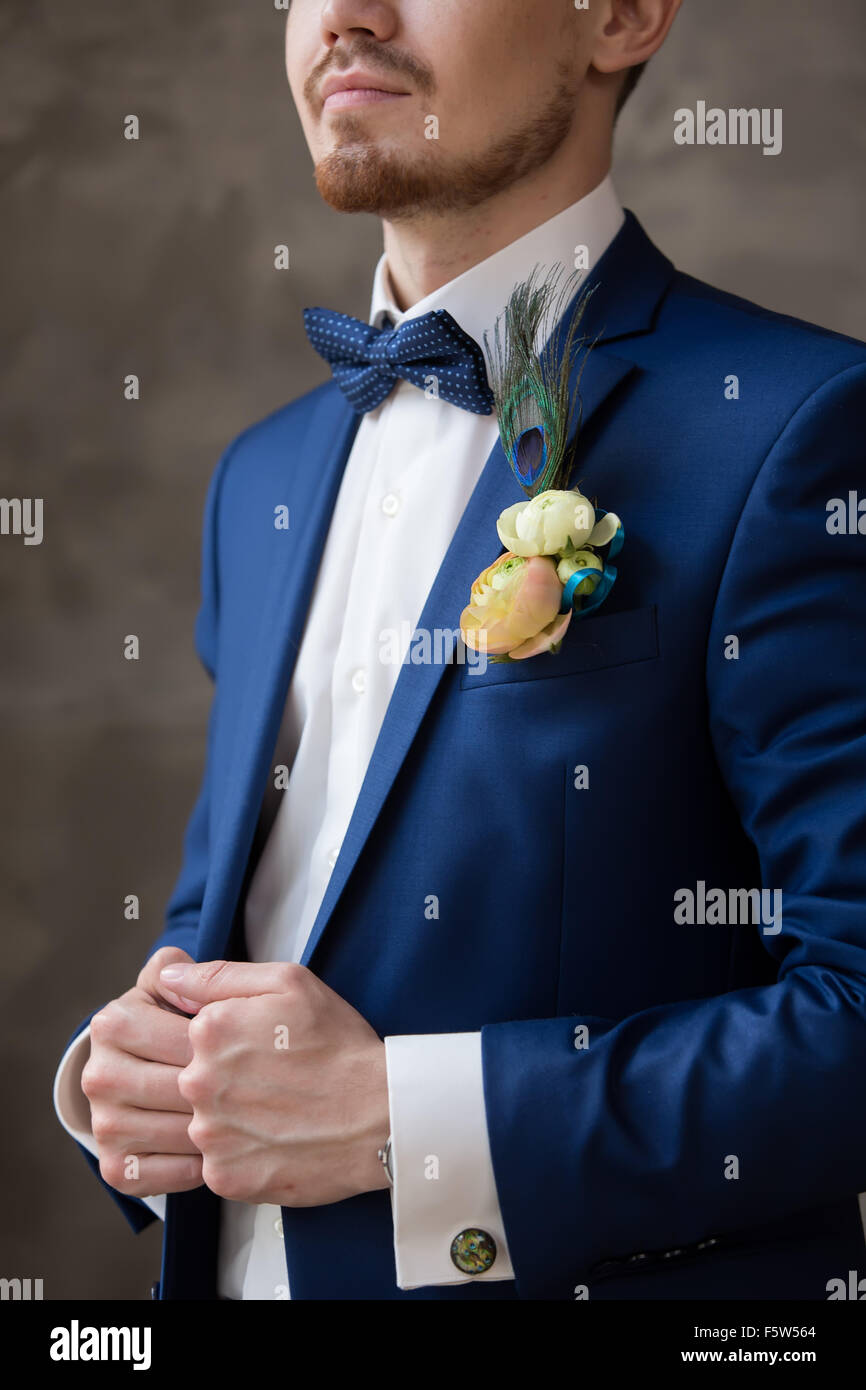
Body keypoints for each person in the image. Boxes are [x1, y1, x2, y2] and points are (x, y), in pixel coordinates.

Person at [54, 0, 866, 1301]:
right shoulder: (256, 477)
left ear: (618, 17)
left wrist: (402, 1115)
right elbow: (244, 918)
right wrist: (139, 1078)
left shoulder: (799, 426)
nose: (344, 17)